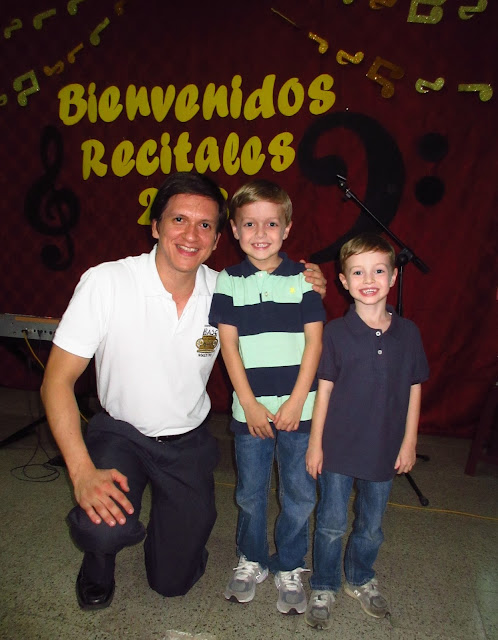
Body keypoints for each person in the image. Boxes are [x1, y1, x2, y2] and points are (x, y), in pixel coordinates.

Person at [40, 171, 327, 610]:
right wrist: (81, 472)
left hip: (187, 441)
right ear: (155, 226)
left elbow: (283, 299)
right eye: (178, 220)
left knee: (172, 582)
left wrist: (310, 278)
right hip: (120, 434)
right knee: (103, 525)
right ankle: (99, 556)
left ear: (217, 240)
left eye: (205, 225)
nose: (191, 235)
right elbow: (56, 381)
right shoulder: (107, 282)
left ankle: (172, 532)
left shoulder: (225, 289)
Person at [208, 180, 326, 615]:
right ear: (234, 231)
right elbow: (228, 347)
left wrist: (295, 402)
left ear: (287, 228)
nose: (261, 233)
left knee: (300, 494)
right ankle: (251, 559)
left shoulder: (303, 279)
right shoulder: (228, 281)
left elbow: (314, 344)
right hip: (250, 412)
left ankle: (290, 565)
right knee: (250, 493)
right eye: (250, 224)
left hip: (300, 410)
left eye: (271, 223)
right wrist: (250, 403)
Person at [304, 233, 429, 630]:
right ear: (343, 281)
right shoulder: (335, 333)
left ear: (393, 277)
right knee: (331, 523)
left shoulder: (408, 333)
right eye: (358, 272)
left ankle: (360, 577)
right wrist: (315, 445)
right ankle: (325, 584)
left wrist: (409, 441)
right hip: (338, 448)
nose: (369, 279)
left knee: (371, 525)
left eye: (378, 270)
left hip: (383, 448)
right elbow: (324, 391)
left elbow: (414, 387)